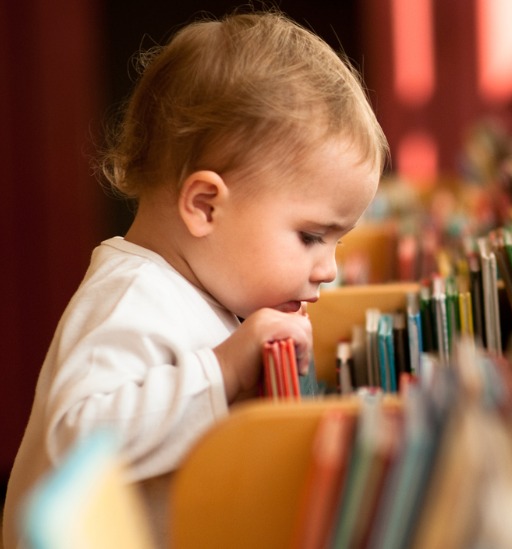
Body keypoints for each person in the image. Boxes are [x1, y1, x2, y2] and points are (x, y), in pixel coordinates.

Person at [3, 10, 387, 548]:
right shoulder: (130, 299)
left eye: (337, 242)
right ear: (205, 206)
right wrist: (225, 369)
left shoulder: (205, 290)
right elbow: (76, 441)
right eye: (310, 237)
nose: (329, 268)